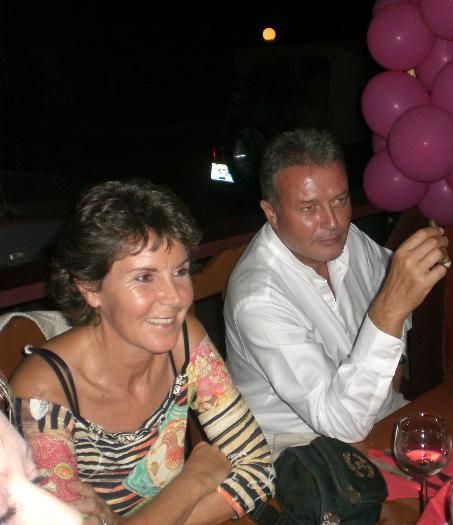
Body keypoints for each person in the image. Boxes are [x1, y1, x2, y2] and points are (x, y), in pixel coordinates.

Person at [10, 179, 274, 524]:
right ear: (90, 289)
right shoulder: (44, 394)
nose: (175, 297)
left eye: (180, 271)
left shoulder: (184, 342)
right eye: (144, 277)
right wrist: (194, 480)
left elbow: (259, 470)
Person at [224, 128, 449, 449]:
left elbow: (395, 279)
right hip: (301, 451)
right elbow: (341, 426)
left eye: (340, 201)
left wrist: (395, 361)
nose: (332, 222)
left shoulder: (346, 239)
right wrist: (390, 310)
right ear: (271, 214)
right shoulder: (258, 299)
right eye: (308, 208)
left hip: (379, 418)